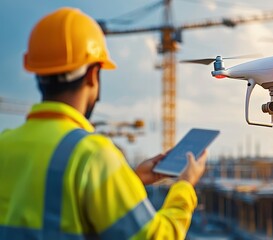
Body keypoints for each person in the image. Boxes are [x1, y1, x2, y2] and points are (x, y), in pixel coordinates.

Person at [0, 7, 207, 239]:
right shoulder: (94, 155)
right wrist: (185, 186)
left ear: (38, 74)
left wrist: (130, 180)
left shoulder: (4, 145)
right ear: (93, 74)